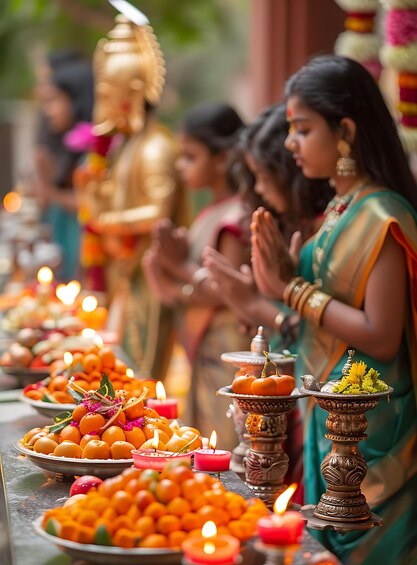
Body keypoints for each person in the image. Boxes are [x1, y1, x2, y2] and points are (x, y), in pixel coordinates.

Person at [251, 55, 417, 565]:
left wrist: (289, 288)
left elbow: (382, 336)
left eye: (303, 129)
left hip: (379, 438)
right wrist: (271, 284)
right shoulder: (338, 211)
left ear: (345, 130)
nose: (292, 143)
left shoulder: (382, 215)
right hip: (332, 418)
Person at [203, 104, 329, 497]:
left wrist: (259, 307)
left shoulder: (326, 230)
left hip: (330, 400)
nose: (258, 189)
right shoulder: (298, 228)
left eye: (262, 175)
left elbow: (311, 327)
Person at [74, 14, 188, 379]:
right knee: (119, 372)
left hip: (151, 272)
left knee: (141, 377)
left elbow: (158, 213)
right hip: (125, 272)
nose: (103, 102)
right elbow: (106, 202)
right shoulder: (125, 147)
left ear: (134, 93)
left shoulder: (156, 147)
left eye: (108, 95)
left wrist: (105, 220)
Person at [142, 102, 249, 449]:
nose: (180, 165)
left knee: (224, 443)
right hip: (207, 349)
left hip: (227, 349)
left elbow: (222, 290)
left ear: (222, 159)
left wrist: (174, 270)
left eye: (190, 156)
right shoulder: (212, 211)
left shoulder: (234, 216)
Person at [35, 53, 93, 280]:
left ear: (77, 100)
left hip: (84, 266)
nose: (48, 110)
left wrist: (49, 189)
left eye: (55, 101)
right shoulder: (66, 145)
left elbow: (88, 206)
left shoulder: (93, 155)